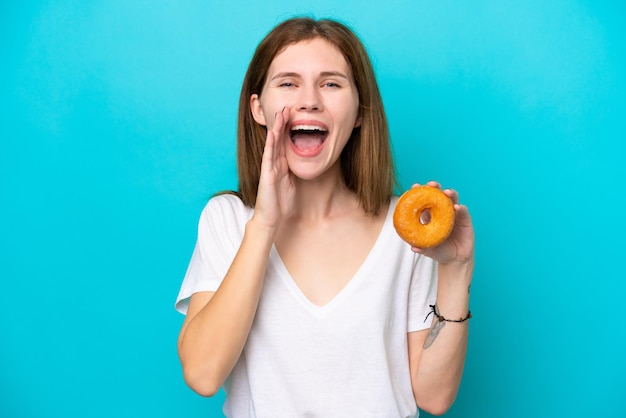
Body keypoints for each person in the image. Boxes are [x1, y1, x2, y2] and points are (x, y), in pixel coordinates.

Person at [175, 16, 474, 418]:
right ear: (258, 108)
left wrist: (456, 270)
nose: (309, 100)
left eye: (331, 83)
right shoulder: (227, 220)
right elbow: (203, 374)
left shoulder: (405, 231)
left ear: (360, 113)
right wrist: (264, 225)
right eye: (288, 83)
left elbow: (434, 397)